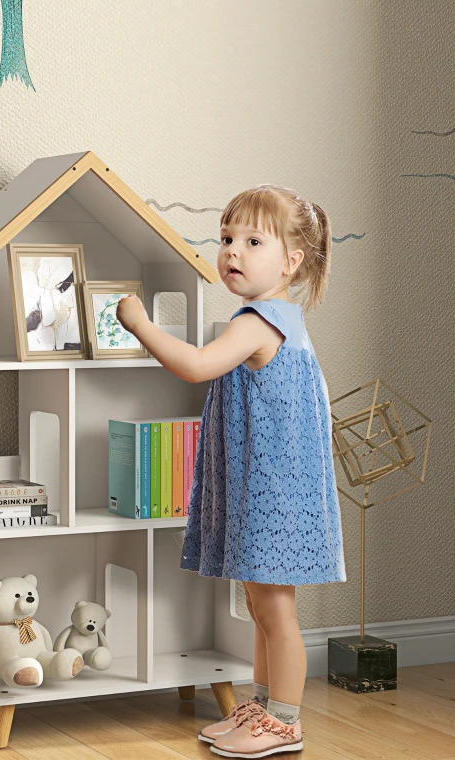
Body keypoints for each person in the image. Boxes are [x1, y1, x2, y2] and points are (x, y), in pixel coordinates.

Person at [115, 183, 346, 759]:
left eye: (251, 240)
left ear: (292, 261)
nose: (232, 252)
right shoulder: (280, 318)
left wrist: (142, 325)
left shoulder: (258, 322)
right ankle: (265, 708)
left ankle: (284, 721)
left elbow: (195, 367)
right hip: (269, 490)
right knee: (263, 607)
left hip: (271, 493)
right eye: (226, 239)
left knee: (273, 610)